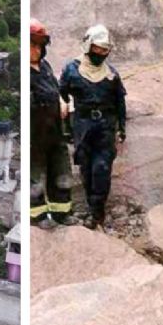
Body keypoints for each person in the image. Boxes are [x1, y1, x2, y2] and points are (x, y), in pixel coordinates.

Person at [59, 24, 127, 229]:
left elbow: (120, 103)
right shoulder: (72, 70)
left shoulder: (111, 75)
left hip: (105, 128)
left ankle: (97, 212)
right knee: (86, 169)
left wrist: (121, 128)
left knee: (101, 169)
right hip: (82, 125)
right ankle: (91, 208)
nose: (101, 53)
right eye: (97, 48)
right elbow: (61, 97)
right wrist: (66, 127)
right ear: (89, 46)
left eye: (104, 50)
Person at [29, 18, 77, 229]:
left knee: (62, 174)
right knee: (36, 178)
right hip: (36, 134)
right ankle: (38, 216)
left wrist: (61, 102)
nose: (35, 50)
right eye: (32, 44)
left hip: (55, 131)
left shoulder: (45, 67)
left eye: (39, 45)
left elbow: (56, 91)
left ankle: (61, 213)